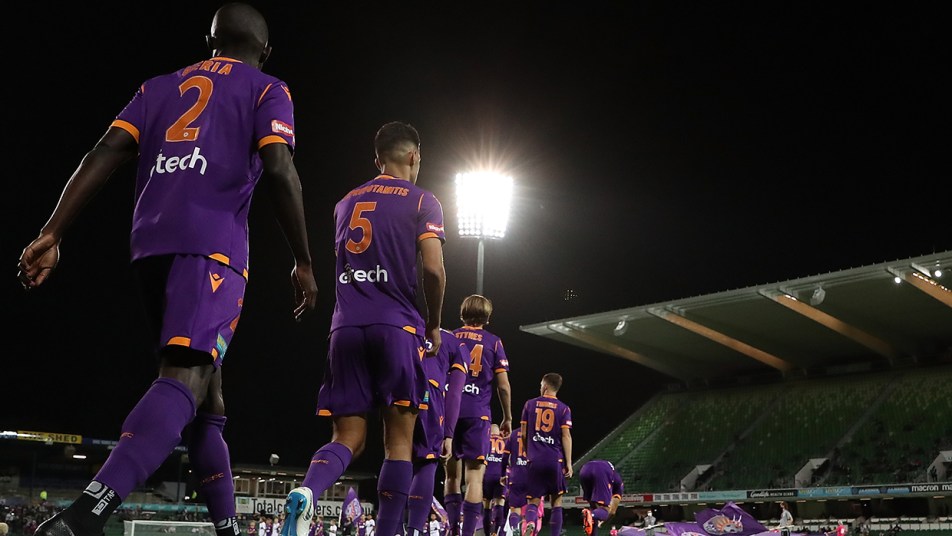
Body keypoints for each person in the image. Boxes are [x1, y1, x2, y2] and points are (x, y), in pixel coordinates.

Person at [18, 5, 317, 536]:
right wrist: (303, 259)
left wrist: (53, 232)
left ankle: (227, 529)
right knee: (185, 378)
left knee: (208, 398)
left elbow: (103, 152)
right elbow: (279, 168)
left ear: (210, 40)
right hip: (212, 249)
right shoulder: (268, 89)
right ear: (265, 51)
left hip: (150, 247)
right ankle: (86, 515)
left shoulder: (158, 87)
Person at [281, 121, 446, 536]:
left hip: (345, 329)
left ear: (377, 160)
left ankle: (308, 493)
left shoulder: (344, 203)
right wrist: (435, 323)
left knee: (348, 437)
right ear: (414, 156)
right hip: (397, 328)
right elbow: (433, 269)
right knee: (399, 443)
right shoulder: (423, 200)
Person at [445, 295, 513, 536]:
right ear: (487, 316)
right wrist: (507, 417)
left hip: (449, 411)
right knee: (474, 477)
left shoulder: (449, 337)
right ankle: (468, 533)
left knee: (451, 475)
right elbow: (503, 386)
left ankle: (452, 528)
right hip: (478, 413)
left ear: (463, 313)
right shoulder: (494, 342)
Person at [406, 329, 468, 536]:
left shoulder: (412, 326)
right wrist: (448, 434)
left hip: (400, 384)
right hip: (428, 391)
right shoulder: (457, 343)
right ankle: (414, 529)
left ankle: (390, 529)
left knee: (396, 454)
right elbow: (454, 393)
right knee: (428, 460)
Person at [519, 373, 573, 536]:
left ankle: (529, 523)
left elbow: (522, 434)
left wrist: (530, 454)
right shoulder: (564, 409)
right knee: (556, 501)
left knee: (533, 501)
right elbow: (566, 436)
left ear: (545, 386)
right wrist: (568, 463)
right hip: (554, 460)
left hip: (535, 459)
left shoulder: (529, 404)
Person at [578, 460, 624, 536]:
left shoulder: (615, 478)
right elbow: (612, 512)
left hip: (584, 470)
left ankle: (592, 518)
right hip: (600, 471)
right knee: (604, 510)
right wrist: (603, 520)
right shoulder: (619, 487)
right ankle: (592, 515)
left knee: (594, 509)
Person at [501, 427, 528, 536]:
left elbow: (505, 456)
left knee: (514, 508)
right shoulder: (536, 432)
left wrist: (503, 474)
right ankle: (530, 525)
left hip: (516, 475)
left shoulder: (514, 434)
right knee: (532, 506)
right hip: (532, 475)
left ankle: (515, 528)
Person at [483, 425, 507, 536]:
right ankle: (498, 533)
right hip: (500, 476)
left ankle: (488, 533)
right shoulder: (505, 442)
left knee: (486, 504)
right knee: (500, 503)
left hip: (486, 475)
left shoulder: (485, 439)